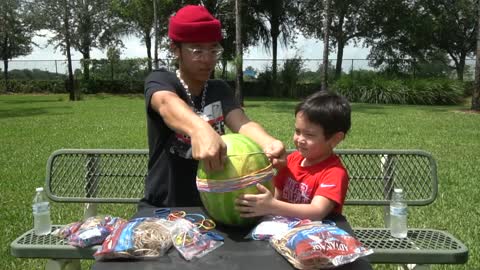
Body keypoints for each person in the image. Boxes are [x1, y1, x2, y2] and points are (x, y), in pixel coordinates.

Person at [141, 5, 285, 208]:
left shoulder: (219, 89)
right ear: (176, 49)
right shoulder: (161, 80)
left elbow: (242, 123)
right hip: (165, 206)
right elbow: (166, 104)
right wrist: (199, 129)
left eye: (213, 49)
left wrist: (268, 142)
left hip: (214, 204)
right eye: (197, 50)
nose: (208, 59)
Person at [235, 91, 372, 270]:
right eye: (297, 131)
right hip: (282, 239)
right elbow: (277, 193)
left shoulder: (334, 172)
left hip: (315, 248)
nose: (299, 139)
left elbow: (317, 211)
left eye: (309, 135)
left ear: (335, 139)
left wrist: (270, 206)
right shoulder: (292, 160)